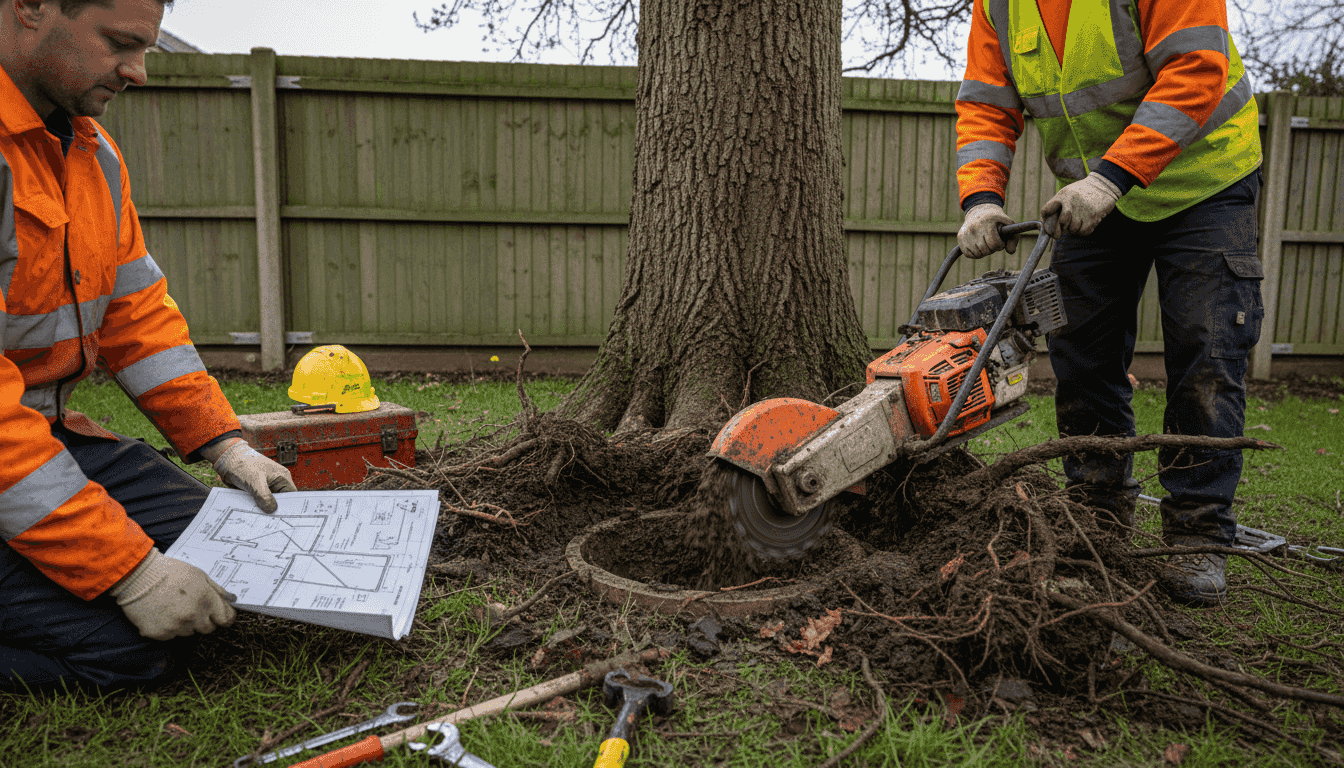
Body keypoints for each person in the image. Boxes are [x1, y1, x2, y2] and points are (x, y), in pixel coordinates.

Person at [0, 0, 296, 689]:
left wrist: (225, 444)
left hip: (43, 437)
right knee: (130, 649)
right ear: (32, 7)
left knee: (232, 552)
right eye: (121, 43)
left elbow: (137, 317)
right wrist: (128, 572)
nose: (137, 72)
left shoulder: (90, 152)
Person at [953, 0, 1263, 606]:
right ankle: (1097, 519)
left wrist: (1112, 177)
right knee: (1081, 351)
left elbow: (1197, 68)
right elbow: (987, 103)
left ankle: (1195, 535)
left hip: (1204, 181)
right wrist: (981, 198)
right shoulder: (998, 5)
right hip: (1095, 191)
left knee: (1207, 351)